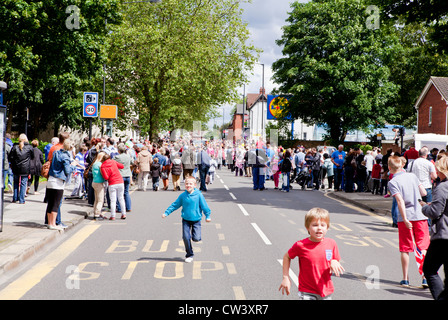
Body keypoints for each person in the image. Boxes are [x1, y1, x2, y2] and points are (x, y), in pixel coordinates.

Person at [279, 208, 344, 300]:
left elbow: (335, 259)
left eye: (323, 225)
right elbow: (287, 257)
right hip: (307, 291)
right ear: (307, 227)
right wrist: (286, 277)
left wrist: (334, 261)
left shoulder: (331, 243)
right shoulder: (300, 245)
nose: (319, 228)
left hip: (326, 291)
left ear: (327, 227)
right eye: (315, 225)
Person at [387, 155, 430, 287]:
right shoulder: (412, 176)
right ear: (402, 165)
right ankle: (425, 277)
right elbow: (423, 193)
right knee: (423, 247)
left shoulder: (392, 182)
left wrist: (405, 219)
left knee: (405, 248)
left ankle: (405, 279)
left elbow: (400, 201)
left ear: (390, 168)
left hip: (405, 217)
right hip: (420, 215)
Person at [162, 176, 211, 263]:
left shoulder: (199, 195)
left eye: (190, 184)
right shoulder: (183, 196)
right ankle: (189, 254)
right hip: (186, 220)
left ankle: (195, 236)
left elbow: (204, 206)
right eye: (187, 184)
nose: (188, 185)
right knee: (185, 237)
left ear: (195, 185)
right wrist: (166, 213)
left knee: (196, 238)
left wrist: (207, 216)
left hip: (196, 220)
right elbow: (175, 205)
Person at [421, 155, 448, 300]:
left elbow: (435, 212)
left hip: (443, 236)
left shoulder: (442, 187)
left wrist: (425, 208)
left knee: (430, 270)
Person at [46, 139, 76, 230]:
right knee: (56, 203)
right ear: (70, 147)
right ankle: (53, 224)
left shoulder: (56, 153)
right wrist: (73, 166)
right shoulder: (65, 156)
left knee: (50, 203)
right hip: (58, 182)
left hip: (50, 179)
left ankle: (49, 223)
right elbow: (67, 171)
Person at [9, 134, 34, 204]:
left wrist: (12, 164)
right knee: (23, 183)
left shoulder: (14, 147)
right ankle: (22, 199)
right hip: (25, 168)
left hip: (16, 167)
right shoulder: (29, 147)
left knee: (16, 182)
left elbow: (11, 157)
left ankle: (15, 198)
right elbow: (32, 156)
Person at [100, 153, 126, 220]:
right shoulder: (113, 161)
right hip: (120, 181)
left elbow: (106, 177)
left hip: (112, 183)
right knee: (121, 198)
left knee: (113, 200)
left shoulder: (102, 166)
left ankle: (113, 215)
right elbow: (122, 166)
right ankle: (123, 214)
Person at [114, 143, 133, 213]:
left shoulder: (117, 157)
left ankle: (119, 208)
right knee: (126, 192)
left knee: (120, 193)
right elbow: (133, 163)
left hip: (121, 175)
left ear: (119, 150)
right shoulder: (128, 156)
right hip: (128, 175)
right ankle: (128, 207)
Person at [91, 152, 107, 220]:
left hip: (94, 182)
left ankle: (95, 212)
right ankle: (97, 214)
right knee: (100, 200)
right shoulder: (100, 165)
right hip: (99, 183)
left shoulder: (94, 164)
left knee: (96, 200)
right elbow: (103, 173)